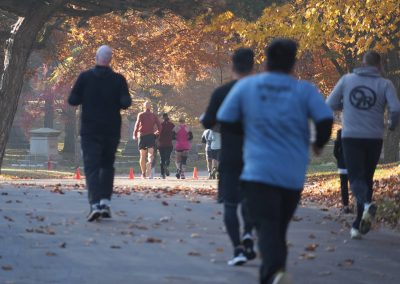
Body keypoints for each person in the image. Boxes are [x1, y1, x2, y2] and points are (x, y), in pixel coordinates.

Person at [218, 39, 333, 283]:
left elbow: (225, 119)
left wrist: (248, 130)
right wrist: (318, 143)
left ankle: (272, 273)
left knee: (267, 226)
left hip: (258, 171)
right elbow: (325, 120)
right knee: (278, 227)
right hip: (292, 174)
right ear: (293, 62)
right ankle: (275, 271)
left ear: (266, 60)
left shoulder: (247, 87)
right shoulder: (305, 90)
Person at [327, 51, 400, 239]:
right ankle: (358, 224)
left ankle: (367, 206)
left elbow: (330, 103)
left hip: (351, 136)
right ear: (380, 65)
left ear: (363, 63)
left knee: (355, 177)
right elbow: (396, 108)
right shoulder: (385, 84)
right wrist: (391, 125)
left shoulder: (347, 80)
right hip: (374, 137)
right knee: (366, 178)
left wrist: (348, 105)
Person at [202, 48, 256, 266]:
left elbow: (207, 121)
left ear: (232, 66)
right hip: (255, 154)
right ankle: (249, 234)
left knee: (231, 204)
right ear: (253, 66)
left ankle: (238, 249)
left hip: (231, 153)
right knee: (251, 199)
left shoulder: (222, 92)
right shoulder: (260, 91)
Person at [68, 45, 132, 222]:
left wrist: (86, 97)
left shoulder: (85, 77)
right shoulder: (118, 79)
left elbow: (73, 100)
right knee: (107, 165)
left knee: (92, 166)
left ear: (96, 57)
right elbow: (126, 102)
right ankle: (105, 202)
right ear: (110, 59)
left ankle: (95, 203)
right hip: (111, 129)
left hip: (90, 129)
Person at [133, 101, 161, 179]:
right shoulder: (153, 115)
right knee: (150, 154)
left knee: (142, 155)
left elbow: (137, 124)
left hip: (142, 136)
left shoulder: (141, 114)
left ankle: (143, 174)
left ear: (144, 107)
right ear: (150, 107)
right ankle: (149, 162)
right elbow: (159, 126)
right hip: (151, 136)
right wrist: (158, 134)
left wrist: (134, 134)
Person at [333, 128, 351, 214]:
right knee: (355, 184)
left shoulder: (340, 133)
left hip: (342, 164)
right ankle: (359, 204)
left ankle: (346, 206)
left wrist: (339, 159)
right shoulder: (354, 132)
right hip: (353, 164)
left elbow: (335, 152)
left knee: (344, 186)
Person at [158, 113, 175, 179]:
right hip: (169, 144)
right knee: (167, 157)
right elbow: (174, 134)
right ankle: (166, 165)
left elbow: (157, 133)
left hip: (161, 144)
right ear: (168, 117)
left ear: (163, 118)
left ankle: (162, 174)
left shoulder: (160, 125)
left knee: (162, 158)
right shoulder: (172, 125)